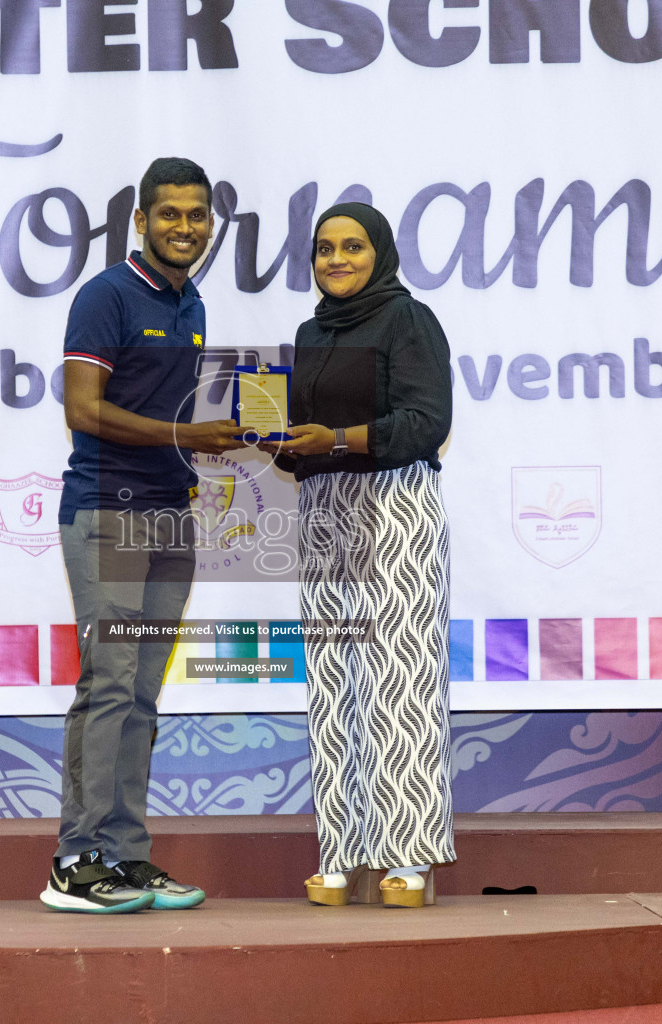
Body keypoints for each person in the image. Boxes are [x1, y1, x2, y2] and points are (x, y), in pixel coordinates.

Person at [42, 157, 245, 914]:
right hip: (108, 511)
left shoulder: (191, 302)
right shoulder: (105, 296)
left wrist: (216, 445)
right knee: (109, 684)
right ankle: (76, 859)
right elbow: (83, 410)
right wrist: (187, 431)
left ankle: (125, 858)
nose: (184, 228)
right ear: (140, 219)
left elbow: (173, 419)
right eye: (170, 214)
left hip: (169, 512)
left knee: (143, 693)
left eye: (197, 216)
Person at [267, 202, 455, 908]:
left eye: (351, 246)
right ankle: (341, 853)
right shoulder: (312, 330)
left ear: (379, 252)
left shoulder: (409, 320)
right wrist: (287, 447)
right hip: (324, 517)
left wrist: (337, 441)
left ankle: (409, 857)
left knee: (399, 683)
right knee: (333, 685)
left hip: (395, 507)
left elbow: (426, 423)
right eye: (323, 249)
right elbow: (306, 439)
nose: (336, 259)